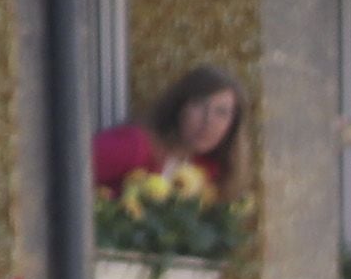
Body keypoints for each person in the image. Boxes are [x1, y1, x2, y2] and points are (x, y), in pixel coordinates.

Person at [90, 60, 243, 196]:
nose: (208, 121)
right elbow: (71, 170)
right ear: (180, 108)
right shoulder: (136, 145)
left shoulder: (210, 173)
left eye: (221, 112)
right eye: (199, 105)